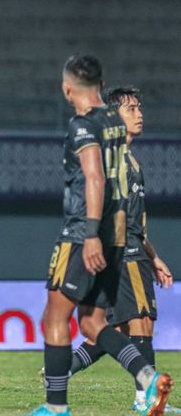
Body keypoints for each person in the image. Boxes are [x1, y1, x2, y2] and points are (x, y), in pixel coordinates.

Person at [29, 56, 172, 416]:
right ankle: (146, 374)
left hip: (82, 233)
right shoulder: (114, 125)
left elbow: (94, 178)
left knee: (54, 318)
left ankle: (55, 407)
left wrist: (91, 234)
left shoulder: (85, 124)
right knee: (94, 323)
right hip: (116, 240)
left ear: (67, 88)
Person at [65, 86, 177, 412]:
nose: (139, 114)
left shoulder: (133, 162)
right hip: (122, 250)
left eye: (140, 108)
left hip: (133, 249)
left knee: (119, 327)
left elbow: (137, 221)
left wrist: (155, 258)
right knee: (140, 321)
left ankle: (62, 370)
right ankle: (146, 398)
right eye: (131, 109)